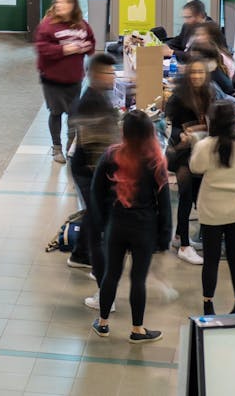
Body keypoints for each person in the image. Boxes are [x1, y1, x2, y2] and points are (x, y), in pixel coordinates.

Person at [90, 110, 171, 344]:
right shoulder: (155, 160)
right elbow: (164, 203)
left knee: (111, 275)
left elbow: (96, 193)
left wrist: (102, 222)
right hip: (144, 227)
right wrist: (164, 237)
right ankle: (137, 329)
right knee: (138, 280)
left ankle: (103, 323)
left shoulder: (111, 155)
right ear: (149, 132)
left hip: (117, 224)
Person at [190, 100, 235, 315]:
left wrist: (195, 141)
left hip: (212, 210)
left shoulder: (205, 145)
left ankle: (208, 304)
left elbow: (196, 168)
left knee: (210, 260)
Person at [68, 53, 121, 311]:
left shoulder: (101, 96)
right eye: (109, 73)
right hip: (88, 170)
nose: (113, 77)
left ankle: (79, 254)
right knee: (97, 218)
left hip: (98, 169)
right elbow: (92, 146)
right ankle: (95, 271)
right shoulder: (89, 101)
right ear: (95, 74)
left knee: (94, 214)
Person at [163, 56, 213, 265]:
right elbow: (170, 127)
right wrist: (182, 135)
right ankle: (184, 245)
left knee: (195, 194)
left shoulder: (209, 93)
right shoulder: (178, 98)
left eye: (201, 72)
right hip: (182, 153)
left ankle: (178, 236)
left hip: (201, 150)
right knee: (186, 195)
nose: (197, 76)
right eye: (193, 72)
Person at [35, 0, 95, 163]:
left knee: (74, 114)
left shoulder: (82, 25)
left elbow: (91, 42)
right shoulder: (48, 25)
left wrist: (85, 47)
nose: (59, 5)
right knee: (56, 112)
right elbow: (42, 48)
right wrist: (64, 50)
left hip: (74, 78)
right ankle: (56, 147)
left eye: (65, 3)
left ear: (73, 6)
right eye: (58, 2)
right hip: (52, 80)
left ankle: (71, 145)